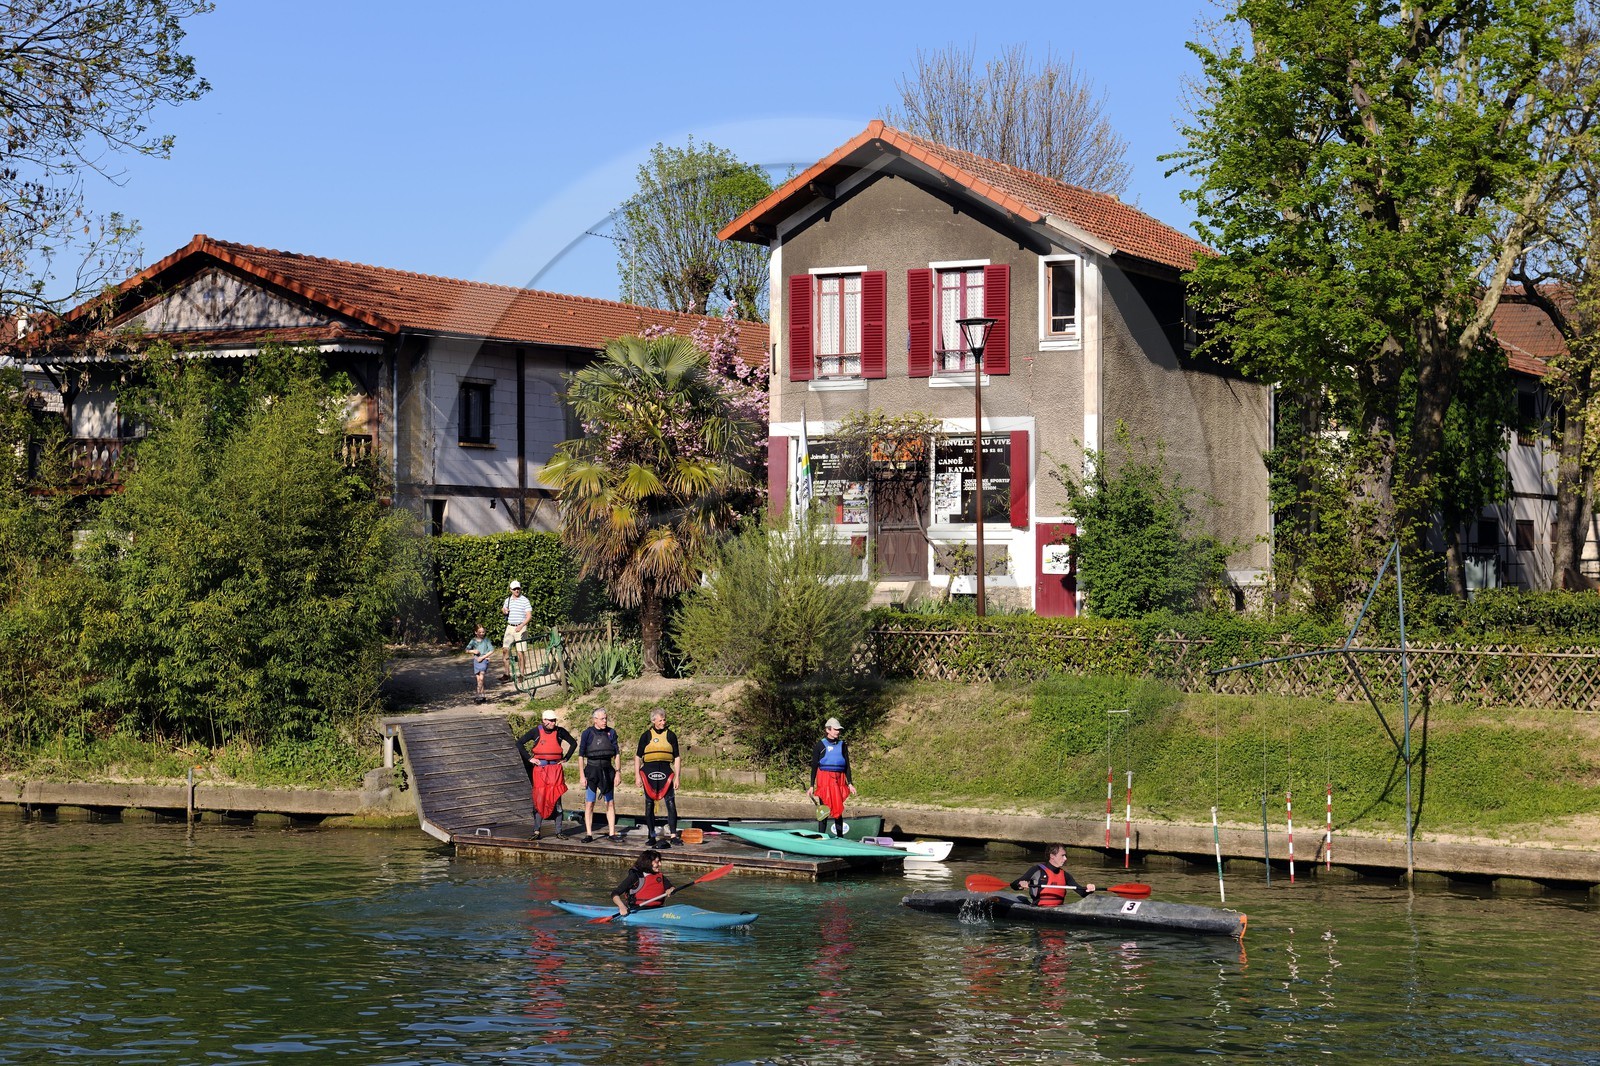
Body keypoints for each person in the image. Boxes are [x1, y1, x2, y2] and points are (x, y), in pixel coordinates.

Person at [516, 711, 576, 839]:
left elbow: (573, 743)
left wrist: (566, 758)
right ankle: (536, 831)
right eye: (551, 720)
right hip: (540, 770)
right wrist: (529, 758)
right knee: (539, 798)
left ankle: (559, 831)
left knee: (556, 798)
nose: (553, 723)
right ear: (544, 720)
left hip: (555, 769)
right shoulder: (536, 731)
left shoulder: (560, 731)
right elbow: (519, 743)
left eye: (554, 720)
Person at [634, 709, 681, 849]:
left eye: (664, 720)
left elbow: (677, 757)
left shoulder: (671, 736)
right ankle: (651, 835)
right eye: (660, 720)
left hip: (666, 771)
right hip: (649, 771)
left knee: (671, 803)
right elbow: (637, 757)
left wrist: (677, 777)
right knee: (649, 805)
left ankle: (673, 835)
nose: (663, 722)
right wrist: (637, 775)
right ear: (653, 721)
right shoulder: (646, 736)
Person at [578, 707, 623, 842]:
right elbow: (581, 756)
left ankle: (611, 833)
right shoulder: (587, 733)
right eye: (602, 718)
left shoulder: (611, 732)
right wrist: (581, 775)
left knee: (610, 803)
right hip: (592, 770)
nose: (605, 721)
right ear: (595, 720)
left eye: (606, 718)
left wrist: (618, 772)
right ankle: (589, 834)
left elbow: (616, 754)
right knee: (589, 803)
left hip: (607, 770)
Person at [806, 717, 856, 837]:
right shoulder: (820, 745)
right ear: (828, 730)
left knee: (838, 809)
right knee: (824, 809)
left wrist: (850, 783)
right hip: (825, 780)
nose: (838, 732)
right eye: (835, 729)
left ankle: (840, 837)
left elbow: (847, 766)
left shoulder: (843, 745)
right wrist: (811, 786)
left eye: (839, 729)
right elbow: (814, 766)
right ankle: (820, 836)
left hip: (839, 780)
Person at [1011, 843, 1096, 907]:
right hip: (1039, 909)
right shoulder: (1037, 870)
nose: (1065, 859)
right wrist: (1020, 884)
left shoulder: (1065, 875)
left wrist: (1089, 889)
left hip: (1058, 909)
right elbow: (1014, 884)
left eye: (1065, 856)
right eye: (1062, 855)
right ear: (1052, 856)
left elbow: (1082, 893)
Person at [611, 849, 673, 916]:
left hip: (657, 909)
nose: (660, 864)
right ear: (648, 862)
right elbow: (615, 893)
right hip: (637, 910)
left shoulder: (660, 877)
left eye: (660, 861)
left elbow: (671, 888)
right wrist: (622, 907)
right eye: (657, 862)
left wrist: (670, 890)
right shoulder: (635, 876)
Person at [500, 579, 532, 680]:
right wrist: (504, 611)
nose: (516, 590)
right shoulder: (508, 600)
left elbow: (529, 615)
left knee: (520, 651)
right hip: (510, 627)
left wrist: (522, 625)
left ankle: (521, 674)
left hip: (520, 627)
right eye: (514, 589)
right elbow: (503, 609)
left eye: (518, 588)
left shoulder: (525, 600)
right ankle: (506, 674)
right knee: (505, 649)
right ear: (511, 590)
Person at [466, 624, 495, 702]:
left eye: (483, 632)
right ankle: (483, 695)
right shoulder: (473, 641)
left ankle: (478, 695)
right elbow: (466, 650)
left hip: (484, 660)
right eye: (480, 632)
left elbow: (492, 650)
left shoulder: (486, 640)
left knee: (481, 678)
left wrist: (483, 657)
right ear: (476, 632)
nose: (482, 634)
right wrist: (472, 651)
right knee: (478, 679)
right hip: (476, 661)